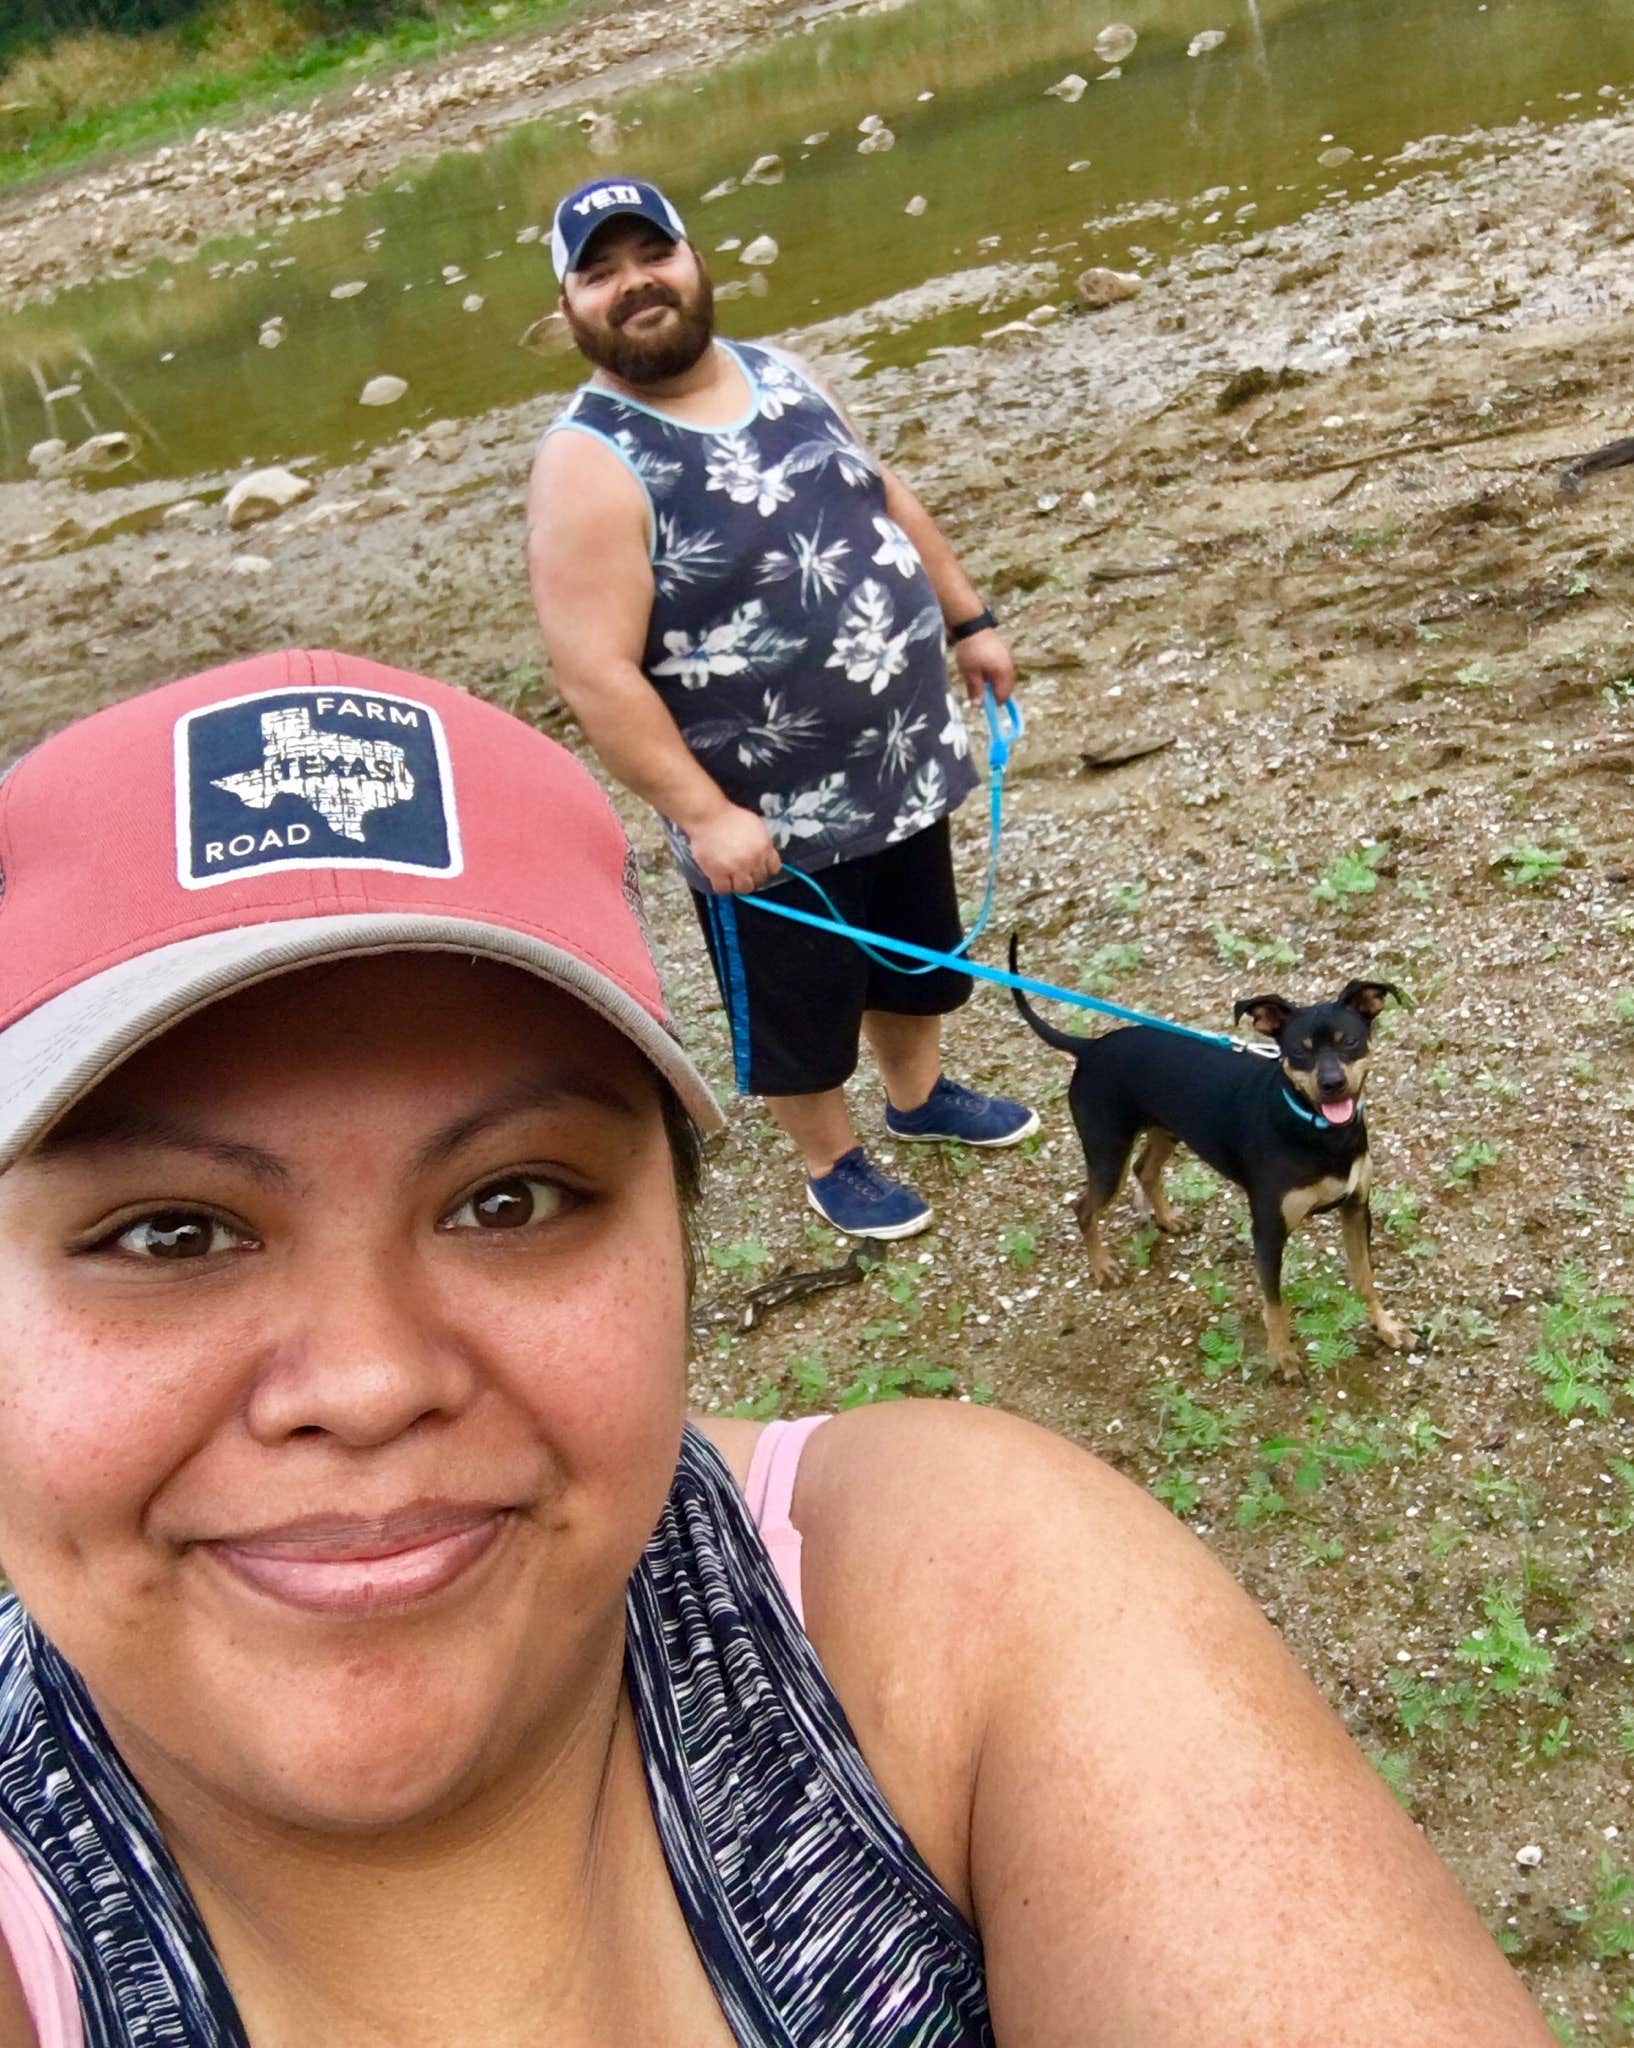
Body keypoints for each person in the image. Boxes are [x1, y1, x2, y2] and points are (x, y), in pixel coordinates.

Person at [0, 649, 1556, 2048]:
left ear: (676, 1243)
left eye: (510, 1196)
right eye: (168, 1234)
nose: (365, 1383)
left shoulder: (964, 1590)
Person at [526, 176, 1037, 1242]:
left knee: (916, 957)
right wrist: (706, 817)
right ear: (568, 308)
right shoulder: (587, 463)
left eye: (650, 255)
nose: (635, 285)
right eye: (599, 271)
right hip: (765, 827)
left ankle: (916, 1097)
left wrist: (967, 618)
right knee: (799, 1003)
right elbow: (593, 673)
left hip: (900, 765)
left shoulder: (780, 372)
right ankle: (829, 1156)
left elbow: (878, 493)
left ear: (693, 259)